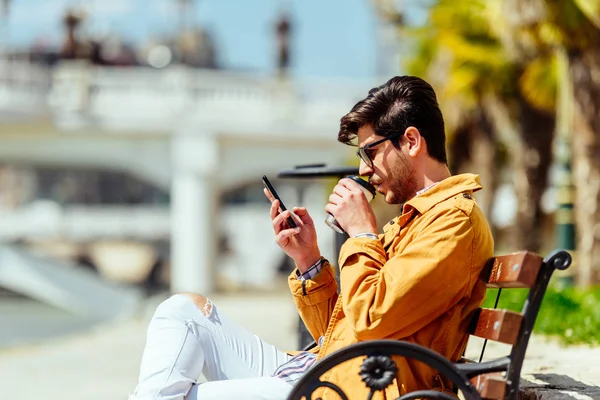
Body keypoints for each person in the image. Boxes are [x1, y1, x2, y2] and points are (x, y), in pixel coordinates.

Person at [129, 76, 494, 400]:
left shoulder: (452, 222)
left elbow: (373, 319)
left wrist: (362, 232)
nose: (364, 169)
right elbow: (342, 330)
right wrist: (309, 261)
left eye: (370, 151)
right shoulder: (416, 221)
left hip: (350, 388)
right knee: (181, 310)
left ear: (411, 141)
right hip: (324, 370)